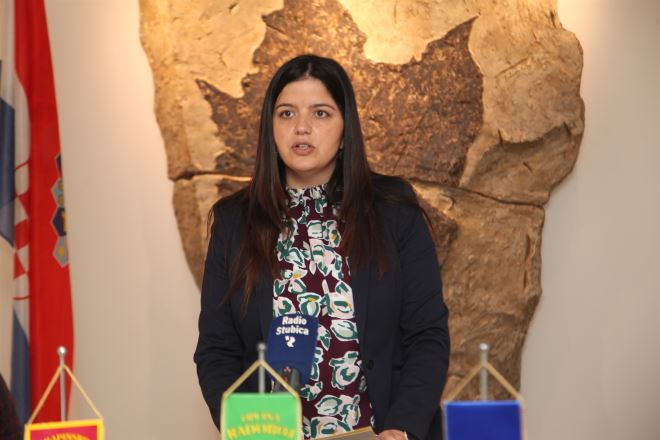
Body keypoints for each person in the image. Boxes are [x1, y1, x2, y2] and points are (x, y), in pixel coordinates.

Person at [194, 54, 450, 440]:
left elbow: (426, 335)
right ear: (270, 128)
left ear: (345, 130)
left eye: (320, 113)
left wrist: (401, 430)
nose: (301, 127)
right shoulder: (233, 222)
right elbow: (217, 350)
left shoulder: (394, 210)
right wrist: (248, 433)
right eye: (286, 114)